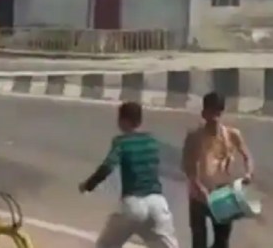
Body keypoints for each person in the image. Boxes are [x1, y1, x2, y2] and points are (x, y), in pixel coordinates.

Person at [79, 101, 178, 248]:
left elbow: (107, 167)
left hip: (133, 206)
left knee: (105, 245)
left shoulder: (121, 142)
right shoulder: (151, 141)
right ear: (140, 120)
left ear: (123, 121)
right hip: (157, 204)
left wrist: (88, 185)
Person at [181, 92, 254, 248]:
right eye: (211, 112)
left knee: (222, 241)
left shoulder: (232, 134)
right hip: (198, 195)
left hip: (223, 194)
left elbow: (247, 156)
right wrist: (198, 186)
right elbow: (187, 165)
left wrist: (248, 174)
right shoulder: (194, 137)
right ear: (203, 113)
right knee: (199, 241)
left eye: (217, 112)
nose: (214, 117)